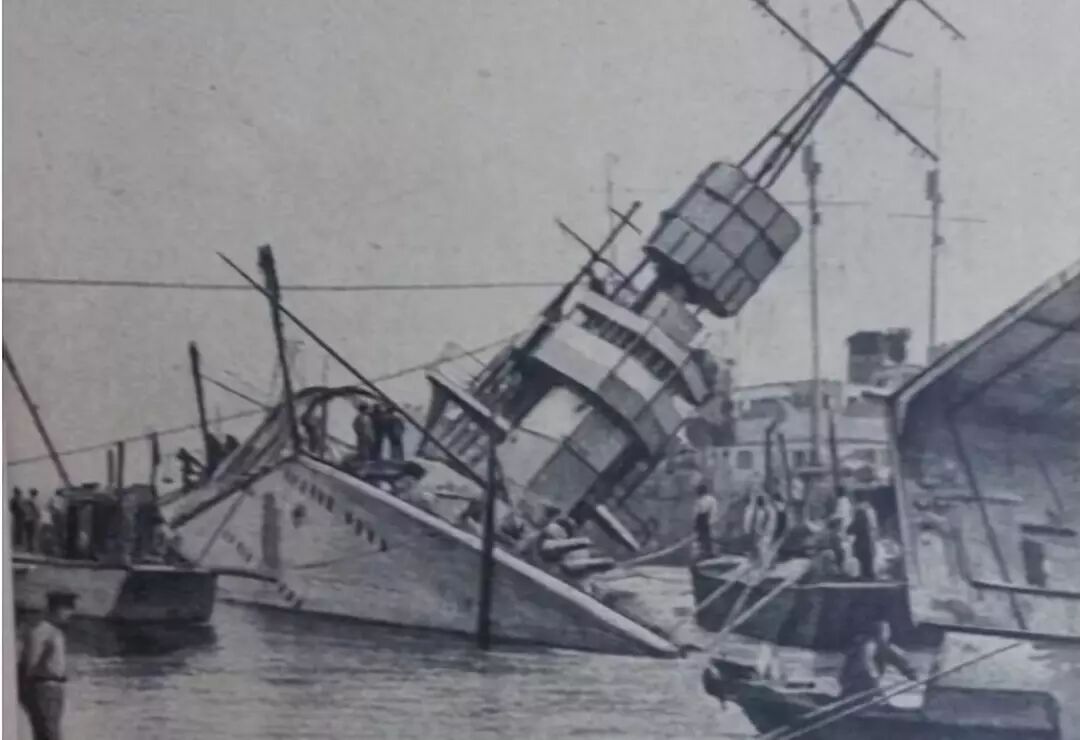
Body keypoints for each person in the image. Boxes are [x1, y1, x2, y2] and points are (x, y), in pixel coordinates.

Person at [19, 590, 77, 740]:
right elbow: (29, 665)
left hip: (54, 688)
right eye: (67, 609)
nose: (70, 613)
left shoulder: (55, 632)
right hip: (44, 688)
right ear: (55, 609)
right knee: (48, 734)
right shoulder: (40, 631)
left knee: (51, 732)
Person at [838, 620, 918, 698]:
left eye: (888, 631)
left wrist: (909, 673)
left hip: (870, 683)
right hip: (853, 682)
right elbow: (867, 663)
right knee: (869, 687)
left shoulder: (885, 648)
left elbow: (898, 661)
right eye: (885, 632)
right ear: (876, 633)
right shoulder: (867, 645)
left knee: (876, 694)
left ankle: (875, 697)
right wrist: (875, 683)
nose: (887, 635)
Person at [849, 498, 879, 580]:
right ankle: (869, 574)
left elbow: (849, 530)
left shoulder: (859, 519)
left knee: (863, 560)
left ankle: (865, 575)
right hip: (867, 542)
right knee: (867, 560)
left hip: (861, 543)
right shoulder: (867, 519)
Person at [692, 483, 720, 559]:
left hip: (704, 520)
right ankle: (707, 553)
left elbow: (699, 513)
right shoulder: (710, 499)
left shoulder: (703, 500)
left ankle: (708, 553)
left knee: (706, 538)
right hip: (705, 520)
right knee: (705, 538)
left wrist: (696, 524)